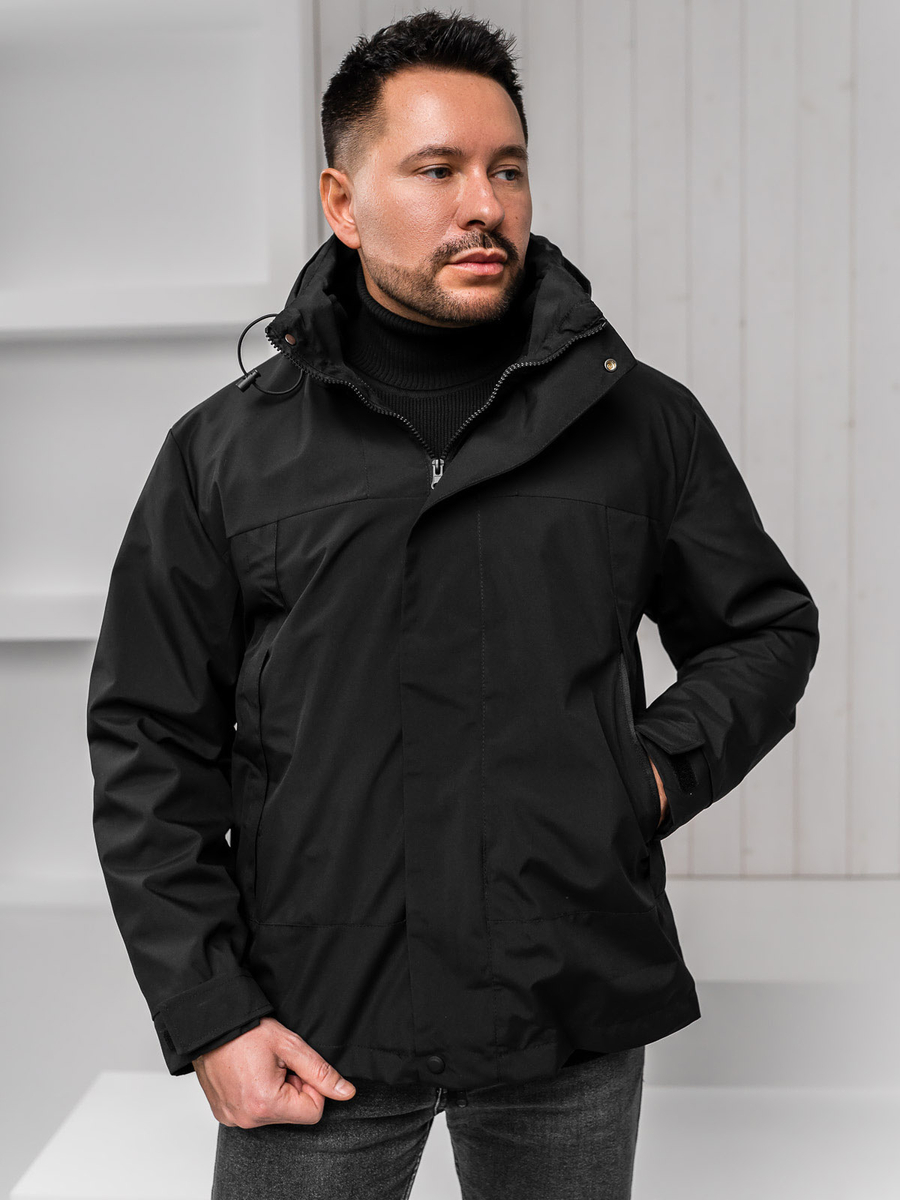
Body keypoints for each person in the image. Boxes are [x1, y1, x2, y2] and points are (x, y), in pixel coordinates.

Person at [86, 10, 819, 1198]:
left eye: (507, 169)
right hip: (314, 1019)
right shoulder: (225, 453)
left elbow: (765, 628)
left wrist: (647, 773)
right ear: (343, 202)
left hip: (568, 1006)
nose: (485, 204)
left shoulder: (639, 422)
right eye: (437, 170)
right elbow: (148, 736)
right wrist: (211, 1009)